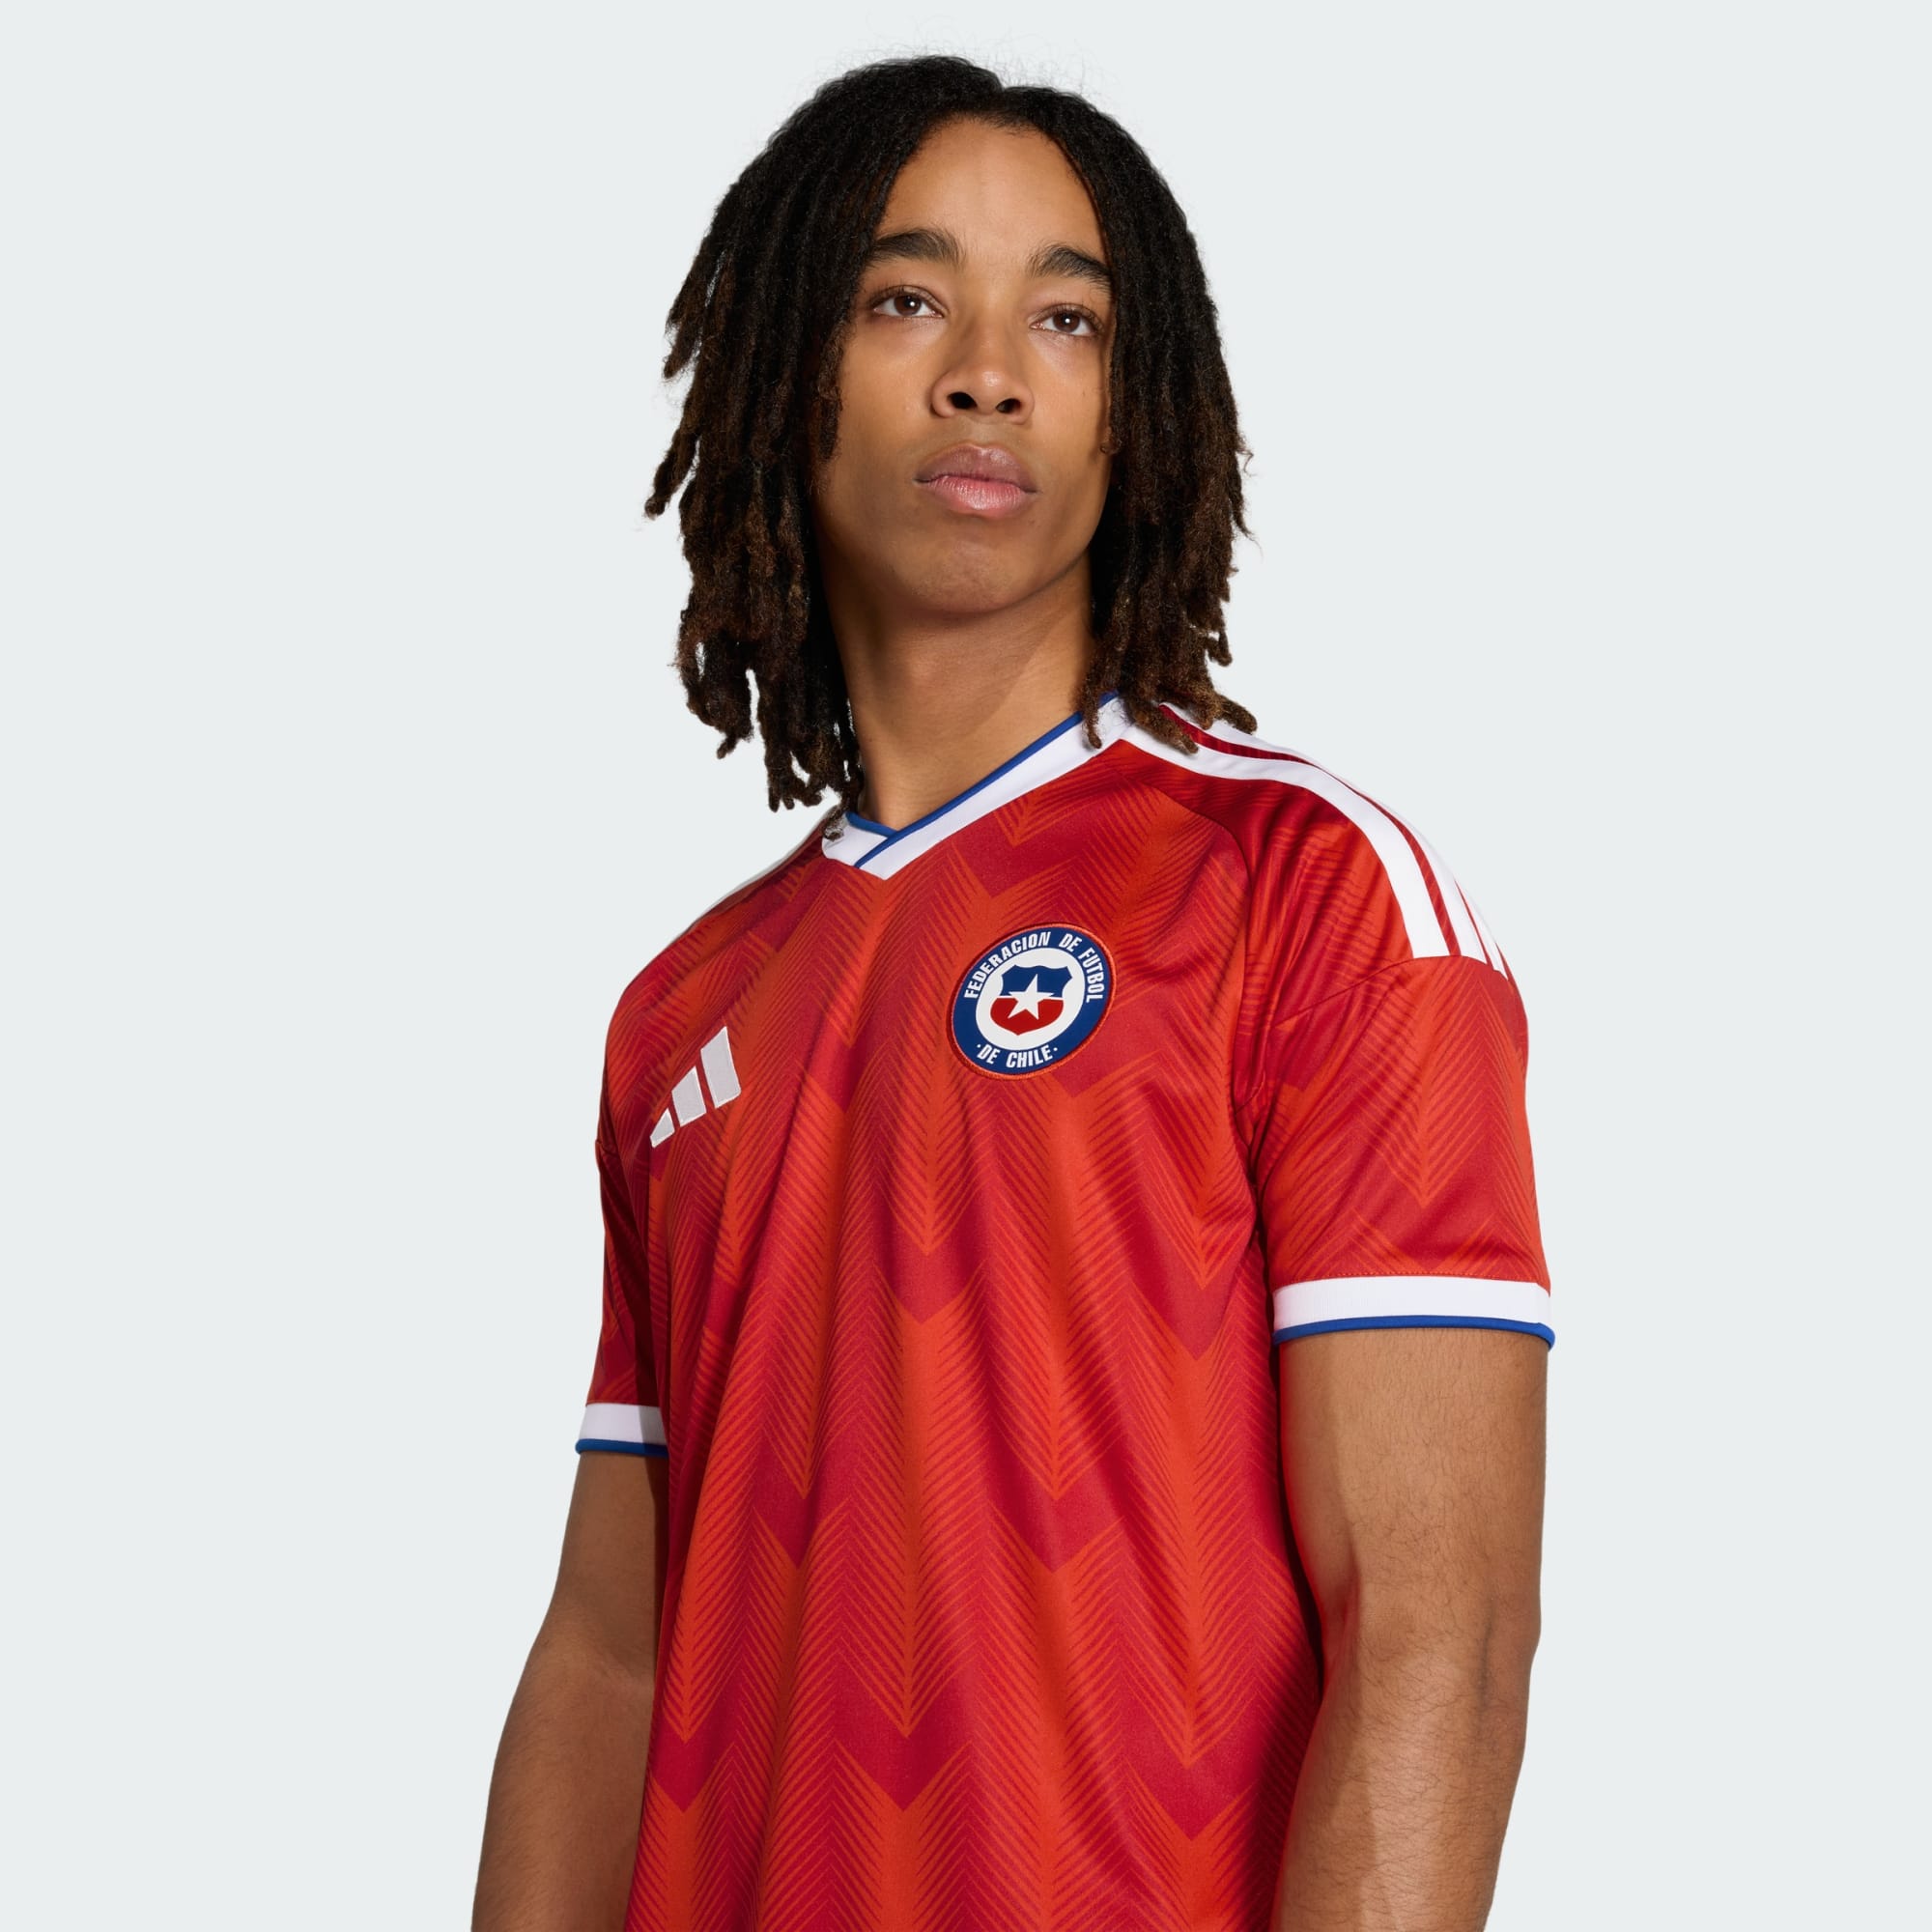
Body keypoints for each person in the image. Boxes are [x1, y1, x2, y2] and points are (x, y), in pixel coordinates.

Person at [473, 53, 1549, 1932]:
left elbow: (1433, 1633)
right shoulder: (679, 1014)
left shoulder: (1309, 892)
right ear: (782, 375)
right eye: (907, 299)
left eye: (1067, 317)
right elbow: (609, 1658)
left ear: (1141, 411)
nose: (989, 370)